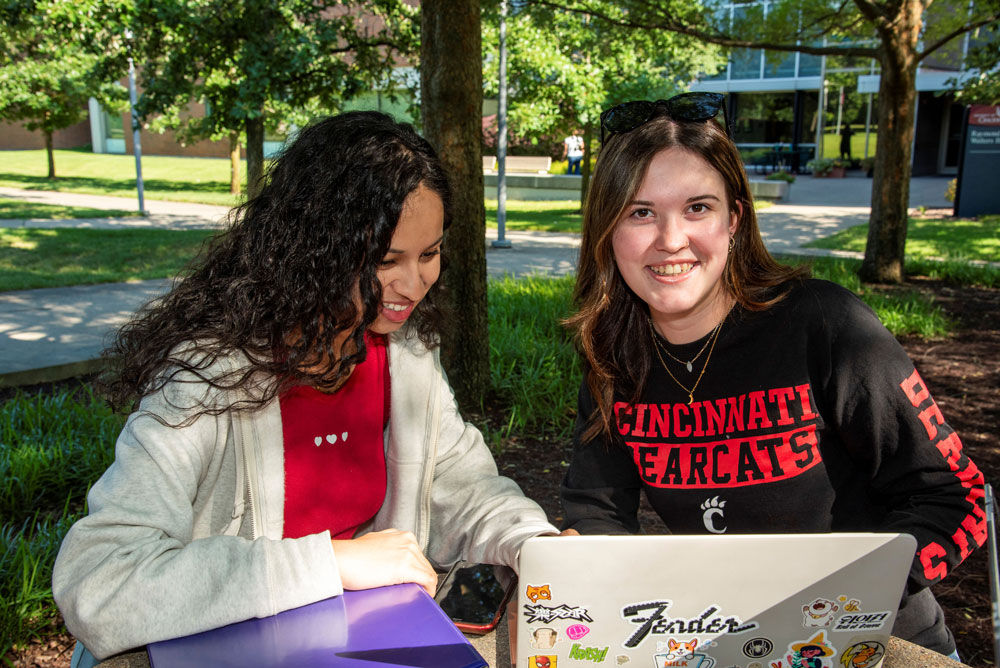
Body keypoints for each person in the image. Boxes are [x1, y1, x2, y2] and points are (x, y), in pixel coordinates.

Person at [52, 111, 558, 665]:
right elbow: (98, 581)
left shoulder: (406, 356)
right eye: (387, 261)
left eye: (430, 254)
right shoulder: (207, 376)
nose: (414, 285)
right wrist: (330, 564)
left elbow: (467, 490)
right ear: (315, 248)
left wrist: (533, 543)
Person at [560, 93, 985, 659]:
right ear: (607, 232)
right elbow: (596, 511)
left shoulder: (826, 325)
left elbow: (959, 496)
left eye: (697, 208)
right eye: (640, 213)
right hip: (724, 645)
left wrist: (850, 594)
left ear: (734, 218)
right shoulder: (614, 357)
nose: (669, 239)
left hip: (882, 645)